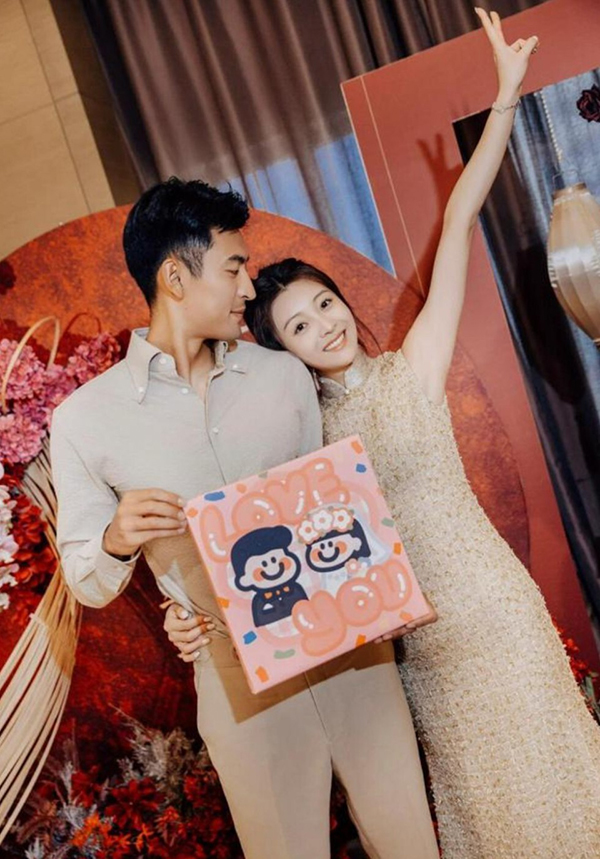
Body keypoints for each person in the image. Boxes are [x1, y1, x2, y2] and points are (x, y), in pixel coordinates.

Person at [165, 9, 600, 859]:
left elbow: (458, 223)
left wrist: (505, 98)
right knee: (484, 813)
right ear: (282, 349)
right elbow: (248, 538)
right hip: (418, 654)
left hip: (495, 613)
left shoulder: (413, 369)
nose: (324, 326)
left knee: (558, 786)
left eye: (325, 305)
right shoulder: (303, 438)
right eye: (298, 326)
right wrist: (192, 615)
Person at [50, 180, 439, 854]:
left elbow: (335, 515)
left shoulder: (283, 376)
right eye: (233, 267)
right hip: (237, 689)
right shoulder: (84, 420)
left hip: (355, 660)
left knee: (411, 846)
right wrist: (116, 539)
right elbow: (86, 581)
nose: (248, 288)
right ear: (175, 277)